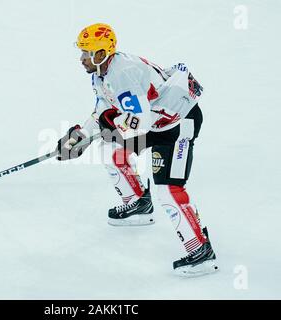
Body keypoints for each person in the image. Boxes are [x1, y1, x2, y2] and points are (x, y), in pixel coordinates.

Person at [57, 23, 218, 277]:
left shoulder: (123, 74)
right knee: (111, 151)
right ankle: (137, 203)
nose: (81, 58)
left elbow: (138, 121)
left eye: (86, 53)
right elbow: (104, 110)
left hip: (178, 123)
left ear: (101, 54)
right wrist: (81, 136)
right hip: (157, 122)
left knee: (168, 189)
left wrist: (112, 122)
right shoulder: (101, 73)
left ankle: (201, 251)